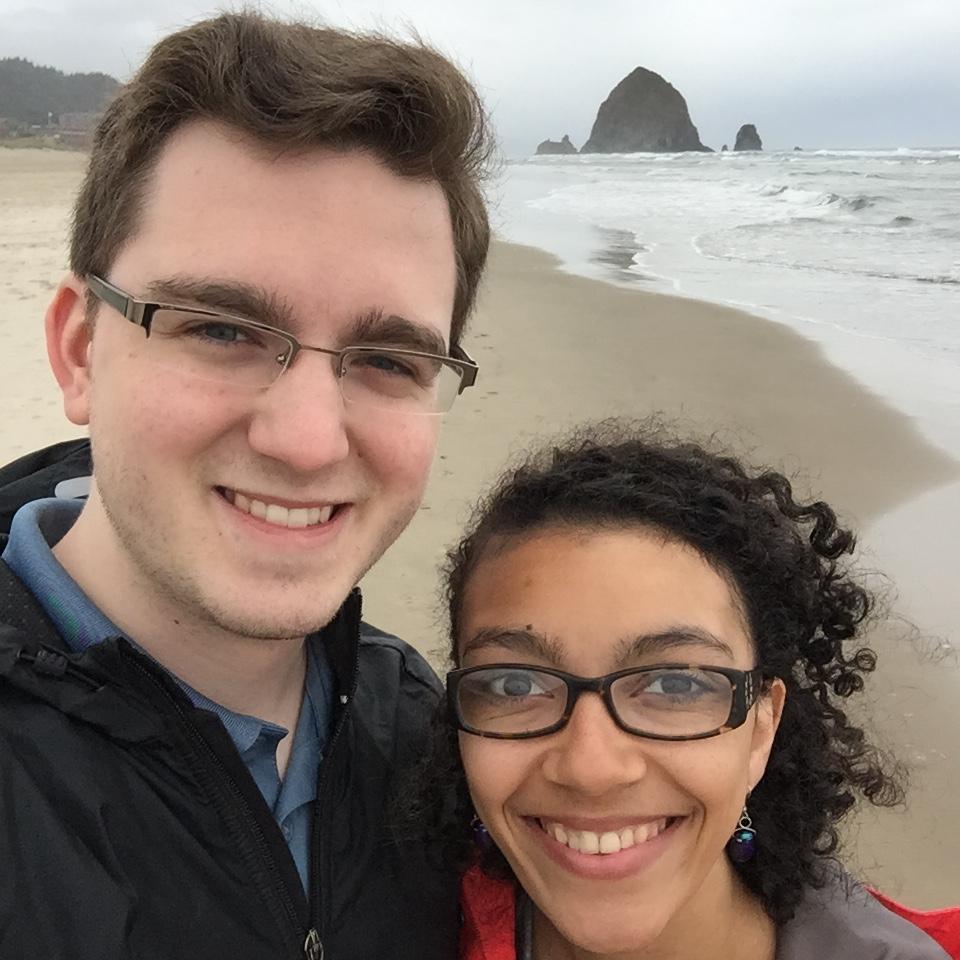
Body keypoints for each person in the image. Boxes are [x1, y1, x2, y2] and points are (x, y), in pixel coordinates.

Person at [0, 11, 492, 960]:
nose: (308, 441)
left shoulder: (426, 732)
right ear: (78, 350)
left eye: (388, 358)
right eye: (220, 329)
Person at [415, 421, 960, 959]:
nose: (591, 770)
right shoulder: (395, 913)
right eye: (515, 684)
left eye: (674, 683)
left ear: (760, 731)